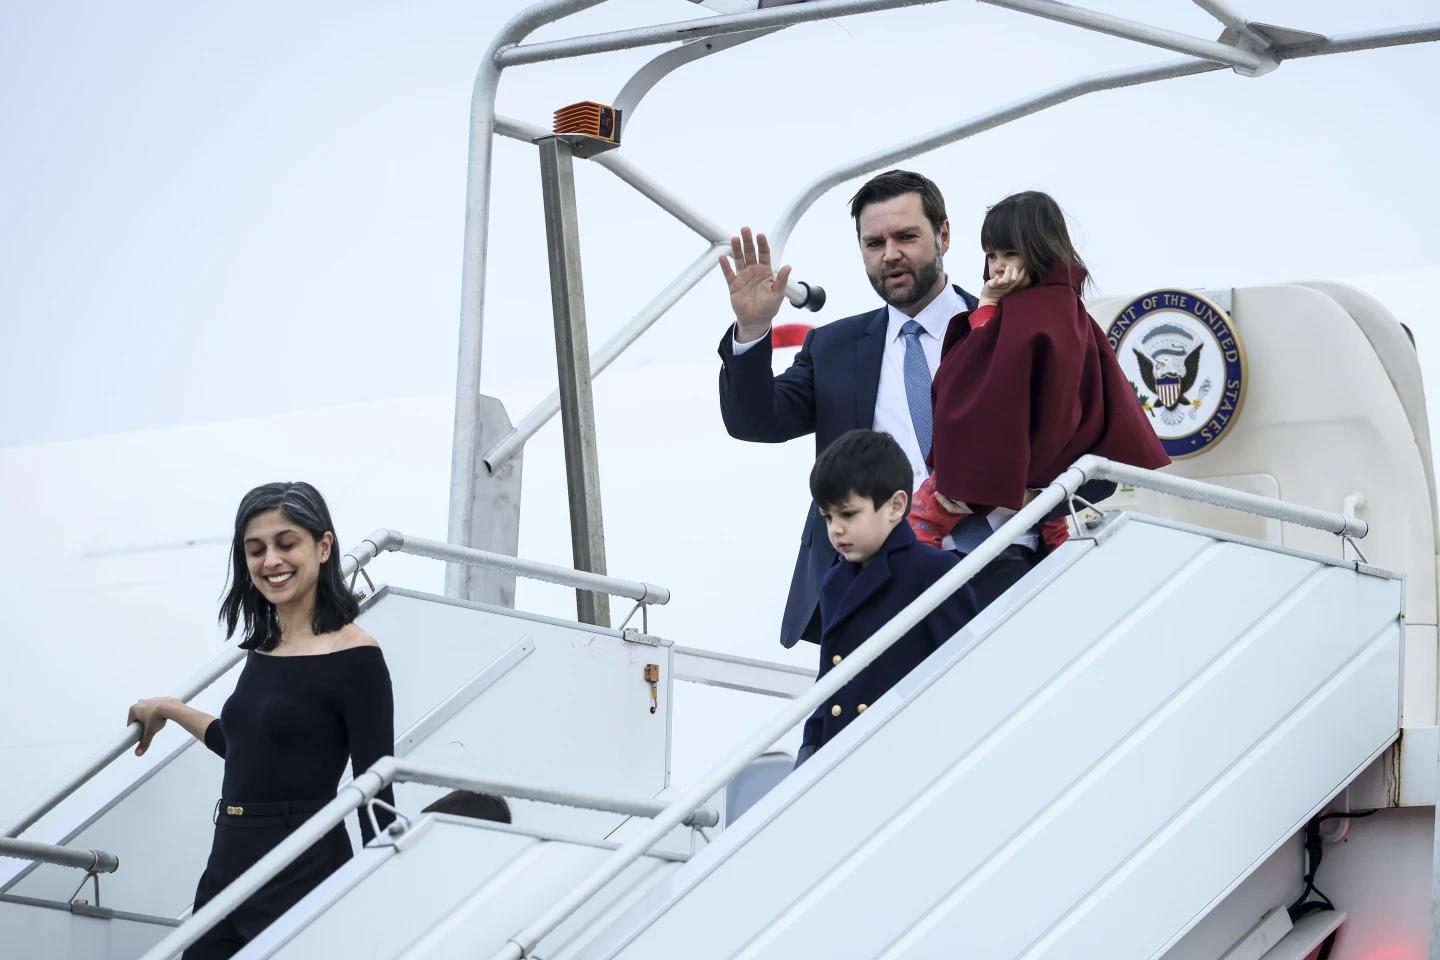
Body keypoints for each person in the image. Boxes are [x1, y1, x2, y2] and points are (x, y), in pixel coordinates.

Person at [126, 482, 395, 960]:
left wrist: (380, 892)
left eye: (286, 543)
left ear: (324, 546)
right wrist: (171, 708)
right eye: (256, 550)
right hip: (229, 857)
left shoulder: (357, 656)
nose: (271, 560)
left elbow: (375, 786)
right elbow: (244, 745)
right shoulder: (266, 647)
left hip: (303, 864)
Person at [717, 169, 981, 651]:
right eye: (873, 243)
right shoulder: (833, 347)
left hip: (990, 568)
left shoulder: (1001, 330)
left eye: (906, 236)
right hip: (868, 587)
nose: (890, 254)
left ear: (943, 234)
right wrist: (753, 330)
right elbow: (754, 421)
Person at [910, 191, 1170, 551]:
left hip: (1016, 470)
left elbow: (979, 382)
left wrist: (986, 307)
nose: (998, 266)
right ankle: (1051, 523)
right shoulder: (1065, 310)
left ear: (1040, 251)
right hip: (1050, 474)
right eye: (991, 255)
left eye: (1010, 253)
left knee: (926, 516)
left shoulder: (1030, 317)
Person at [796, 430, 978, 766]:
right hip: (843, 752)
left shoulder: (932, 571)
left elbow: (964, 672)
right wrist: (810, 751)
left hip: (910, 753)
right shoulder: (835, 581)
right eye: (828, 517)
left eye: (848, 514)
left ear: (895, 506)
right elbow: (829, 681)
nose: (835, 528)